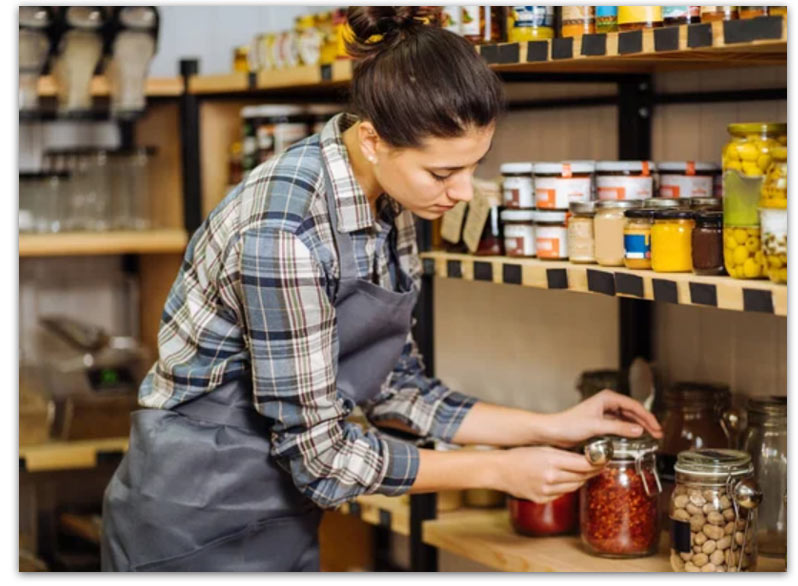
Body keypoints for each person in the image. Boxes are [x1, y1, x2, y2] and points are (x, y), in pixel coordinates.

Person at [101, 6, 662, 572]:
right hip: (192, 519)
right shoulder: (286, 233)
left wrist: (552, 426)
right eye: (442, 173)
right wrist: (497, 468)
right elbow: (321, 459)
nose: (464, 193)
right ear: (372, 139)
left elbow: (399, 388)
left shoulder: (388, 199)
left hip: (281, 511)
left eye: (473, 166)